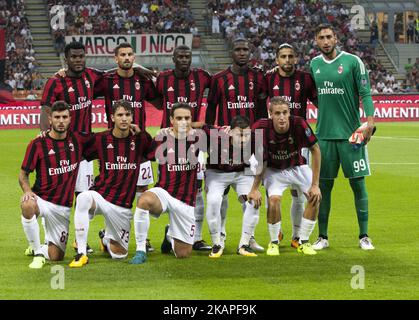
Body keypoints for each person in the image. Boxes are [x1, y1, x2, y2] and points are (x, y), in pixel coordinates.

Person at [309, 23, 376, 250]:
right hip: (324, 137)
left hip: (351, 136)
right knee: (323, 188)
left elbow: (365, 93)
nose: (326, 41)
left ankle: (364, 236)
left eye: (329, 37)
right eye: (321, 38)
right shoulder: (314, 65)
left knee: (358, 185)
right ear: (316, 41)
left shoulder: (352, 62)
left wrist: (370, 122)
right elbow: (313, 96)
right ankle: (323, 237)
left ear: (336, 38)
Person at [69, 100, 153, 267]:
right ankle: (81, 253)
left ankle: (106, 239)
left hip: (122, 206)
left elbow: (156, 151)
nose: (124, 119)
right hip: (101, 196)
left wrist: (143, 133)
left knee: (119, 255)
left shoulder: (140, 140)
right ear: (112, 117)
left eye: (127, 115)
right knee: (83, 198)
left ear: (132, 117)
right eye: (120, 115)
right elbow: (74, 144)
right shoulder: (100, 139)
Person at [94, 42, 160, 252]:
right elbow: (85, 85)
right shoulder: (107, 81)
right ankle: (108, 233)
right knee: (111, 192)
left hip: (139, 145)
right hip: (113, 147)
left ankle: (144, 239)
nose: (126, 58)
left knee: (142, 192)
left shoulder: (143, 80)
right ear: (116, 58)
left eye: (130, 54)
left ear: (135, 57)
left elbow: (160, 102)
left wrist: (150, 73)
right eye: (122, 54)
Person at [205, 37, 268, 252]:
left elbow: (261, 110)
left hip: (250, 145)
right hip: (223, 145)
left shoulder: (258, 78)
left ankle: (248, 238)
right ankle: (220, 235)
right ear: (231, 53)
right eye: (238, 50)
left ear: (250, 53)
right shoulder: (219, 79)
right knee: (219, 196)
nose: (242, 53)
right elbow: (211, 108)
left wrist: (259, 136)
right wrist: (213, 132)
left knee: (250, 194)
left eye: (245, 50)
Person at [153, 45, 213, 251]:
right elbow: (153, 98)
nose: (185, 59)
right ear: (173, 58)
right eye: (181, 56)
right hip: (168, 143)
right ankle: (171, 233)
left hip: (194, 142)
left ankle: (195, 237)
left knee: (196, 189)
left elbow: (219, 87)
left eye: (188, 56)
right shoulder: (163, 79)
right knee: (172, 189)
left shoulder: (202, 77)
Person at [130, 103, 205, 263]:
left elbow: (223, 138)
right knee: (144, 200)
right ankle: (141, 250)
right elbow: (145, 152)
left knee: (183, 254)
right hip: (163, 193)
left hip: (185, 200)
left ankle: (169, 236)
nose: (183, 122)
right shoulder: (162, 138)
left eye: (186, 118)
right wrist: (139, 134)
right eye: (179, 118)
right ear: (171, 120)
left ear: (191, 120)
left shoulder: (199, 137)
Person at [19, 101, 90, 268]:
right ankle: (37, 252)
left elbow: (104, 140)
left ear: (70, 119)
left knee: (56, 257)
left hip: (62, 208)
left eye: (64, 117)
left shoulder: (78, 140)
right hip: (41, 199)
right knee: (27, 203)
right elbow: (23, 174)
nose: (61, 121)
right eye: (57, 117)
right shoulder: (37, 144)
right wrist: (27, 191)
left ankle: (41, 246)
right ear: (50, 118)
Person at [248, 97, 322, 256]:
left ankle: (303, 241)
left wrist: (315, 184)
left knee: (315, 196)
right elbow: (261, 161)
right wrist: (254, 188)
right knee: (274, 201)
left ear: (289, 113)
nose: (281, 117)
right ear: (270, 114)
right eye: (277, 113)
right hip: (274, 169)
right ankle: (274, 242)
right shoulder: (260, 129)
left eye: (284, 113)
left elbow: (315, 150)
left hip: (297, 166)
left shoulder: (299, 124)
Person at [266, 43, 318, 249]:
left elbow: (318, 101)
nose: (287, 60)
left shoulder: (305, 79)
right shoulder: (268, 78)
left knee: (298, 194)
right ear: (277, 59)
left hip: (299, 141)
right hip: (275, 144)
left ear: (295, 58)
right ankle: (276, 232)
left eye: (290, 56)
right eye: (283, 56)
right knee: (274, 195)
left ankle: (297, 236)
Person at [203, 115, 262, 258]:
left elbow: (261, 163)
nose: (243, 139)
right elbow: (199, 125)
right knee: (213, 201)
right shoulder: (216, 136)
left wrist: (255, 189)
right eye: (239, 135)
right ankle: (217, 243)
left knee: (253, 201)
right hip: (217, 173)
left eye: (245, 135)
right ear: (230, 132)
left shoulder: (255, 138)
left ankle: (244, 244)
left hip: (242, 173)